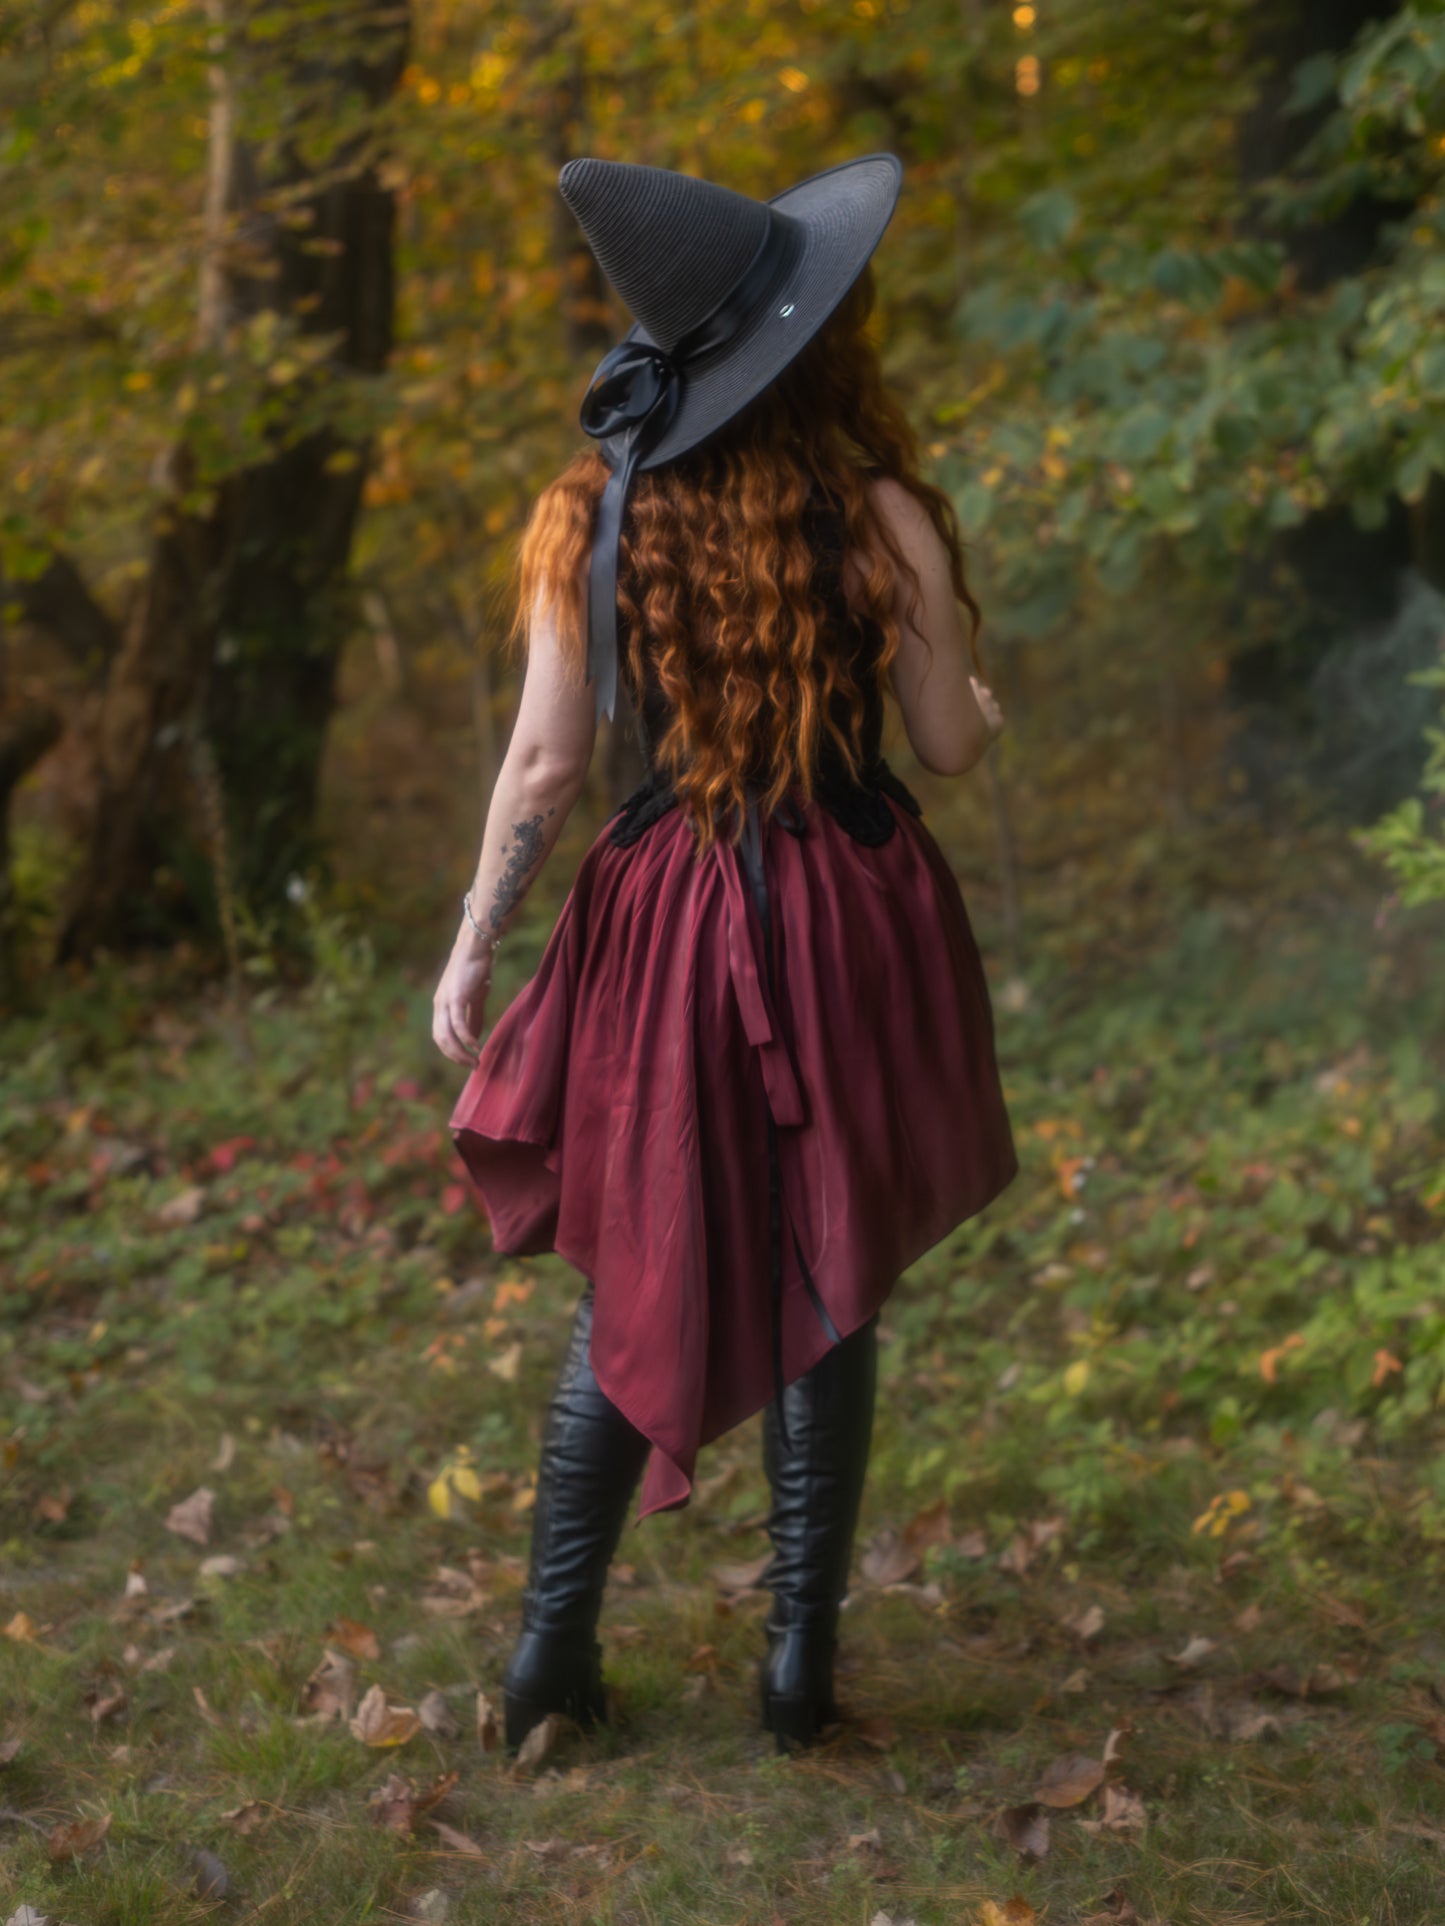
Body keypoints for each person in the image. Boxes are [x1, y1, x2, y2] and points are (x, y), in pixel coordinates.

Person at [433, 152, 1019, 1757]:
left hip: (664, 908)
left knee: (641, 1257)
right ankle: (794, 1672)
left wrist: (476, 938)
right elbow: (950, 746)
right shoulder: (878, 508)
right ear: (812, 335)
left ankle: (550, 1655)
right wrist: (982, 702)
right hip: (840, 908)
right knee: (833, 1270)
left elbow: (548, 766)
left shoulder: (588, 504)